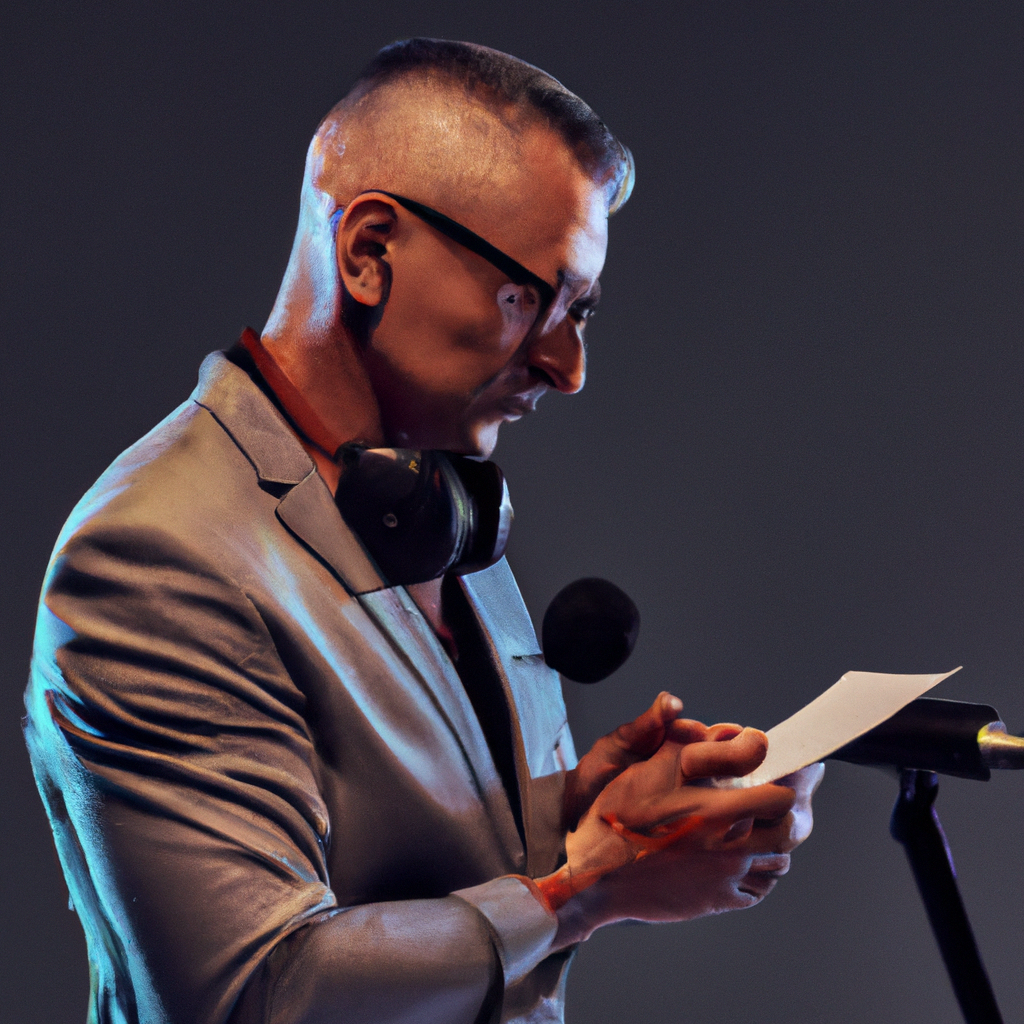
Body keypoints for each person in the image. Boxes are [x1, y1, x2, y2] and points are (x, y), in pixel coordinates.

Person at [25, 39, 823, 1024]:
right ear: (368, 251)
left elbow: (414, 865)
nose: (566, 365)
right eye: (530, 298)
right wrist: (589, 890)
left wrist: (581, 810)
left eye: (581, 312)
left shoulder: (436, 501)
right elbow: (249, 994)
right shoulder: (152, 557)